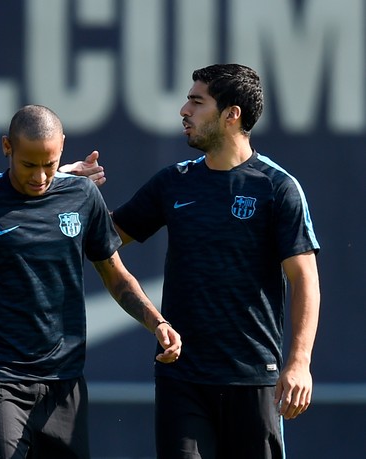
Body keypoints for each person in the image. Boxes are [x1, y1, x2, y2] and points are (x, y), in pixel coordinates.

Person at [0, 104, 182, 459]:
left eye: (49, 165)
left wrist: (156, 322)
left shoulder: (82, 195)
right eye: (28, 165)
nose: (39, 177)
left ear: (62, 148)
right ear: (7, 147)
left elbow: (116, 276)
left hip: (65, 379)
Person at [108, 64, 320, 458]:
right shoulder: (174, 182)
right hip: (182, 377)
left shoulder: (277, 187)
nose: (184, 111)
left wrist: (299, 363)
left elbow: (305, 279)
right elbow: (102, 239)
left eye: (196, 100)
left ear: (230, 115)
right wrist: (67, 190)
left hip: (254, 378)